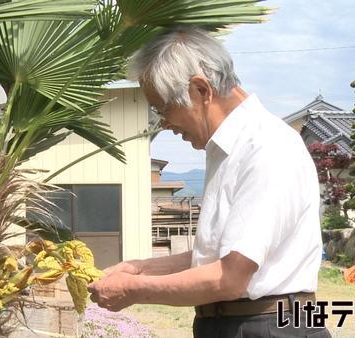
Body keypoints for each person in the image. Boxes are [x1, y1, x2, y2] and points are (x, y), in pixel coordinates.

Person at [88, 26, 331, 338]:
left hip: (271, 326)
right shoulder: (226, 149)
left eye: (164, 109)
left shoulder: (266, 147)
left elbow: (229, 277)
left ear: (201, 90)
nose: (164, 125)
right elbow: (217, 256)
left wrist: (134, 289)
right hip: (240, 323)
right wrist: (139, 268)